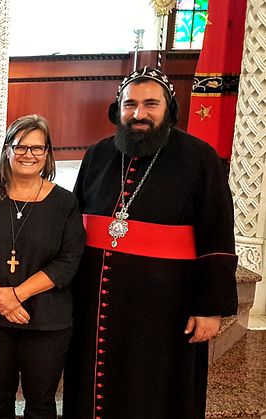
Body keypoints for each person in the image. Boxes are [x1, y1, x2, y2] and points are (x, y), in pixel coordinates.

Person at [63, 66, 238, 418]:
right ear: (118, 109)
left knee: (155, 389)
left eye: (150, 104)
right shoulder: (98, 154)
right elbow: (73, 222)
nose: (138, 114)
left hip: (165, 308)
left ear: (169, 109)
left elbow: (217, 233)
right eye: (130, 104)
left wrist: (209, 307)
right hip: (96, 303)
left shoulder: (199, 157)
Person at [0, 115, 85, 419]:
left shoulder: (65, 203)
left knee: (41, 403)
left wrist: (15, 295)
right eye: (20, 147)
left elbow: (68, 261)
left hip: (47, 321)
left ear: (47, 154)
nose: (28, 155)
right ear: (8, 150)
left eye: (37, 148)